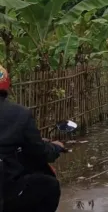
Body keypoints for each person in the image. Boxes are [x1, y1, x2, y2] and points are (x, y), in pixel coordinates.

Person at [0, 64, 65, 212]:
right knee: (50, 186)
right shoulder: (19, 114)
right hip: (6, 190)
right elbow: (39, 151)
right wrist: (55, 147)